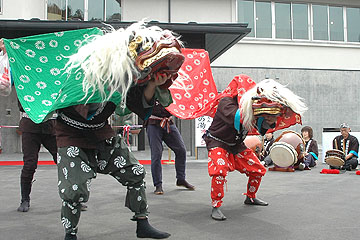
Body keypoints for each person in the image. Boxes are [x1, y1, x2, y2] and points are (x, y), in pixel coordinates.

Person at [203, 75, 307, 221]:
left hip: (236, 144)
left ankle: (250, 197)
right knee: (219, 171)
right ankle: (216, 205)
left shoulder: (251, 107)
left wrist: (271, 116)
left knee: (258, 169)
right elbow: (239, 120)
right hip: (218, 142)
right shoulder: (226, 102)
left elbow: (262, 130)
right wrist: (261, 111)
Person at [145, 100, 195, 195]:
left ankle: (181, 179)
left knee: (181, 150)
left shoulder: (171, 90)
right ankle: (158, 184)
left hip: (168, 122)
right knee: (156, 154)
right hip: (153, 123)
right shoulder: (150, 88)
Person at [16, 100, 58, 212]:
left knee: (63, 160)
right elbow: (22, 106)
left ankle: (72, 198)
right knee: (30, 164)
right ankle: (25, 199)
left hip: (49, 127)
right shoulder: (25, 83)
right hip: (30, 127)